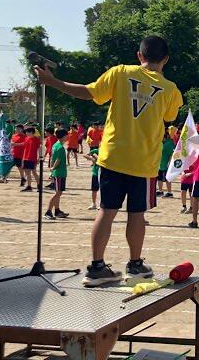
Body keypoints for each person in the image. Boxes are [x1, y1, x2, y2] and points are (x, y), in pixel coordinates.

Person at [35, 35, 183, 286]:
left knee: (106, 211)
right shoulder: (171, 89)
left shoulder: (120, 72)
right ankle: (135, 265)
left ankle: (96, 268)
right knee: (137, 213)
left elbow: (88, 92)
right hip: (143, 162)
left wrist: (53, 82)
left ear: (139, 55)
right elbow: (169, 116)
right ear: (166, 59)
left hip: (112, 157)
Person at [45, 129, 69, 220]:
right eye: (66, 135)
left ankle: (57, 211)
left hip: (58, 173)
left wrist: (52, 170)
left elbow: (52, 158)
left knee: (58, 193)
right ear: (63, 136)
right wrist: (53, 168)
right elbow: (58, 160)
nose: (67, 137)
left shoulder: (55, 145)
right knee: (58, 193)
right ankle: (48, 211)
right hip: (59, 173)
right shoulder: (60, 147)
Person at [156, 130, 175, 198]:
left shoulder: (169, 143)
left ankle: (169, 192)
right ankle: (160, 191)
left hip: (166, 165)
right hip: (160, 164)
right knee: (159, 178)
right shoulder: (162, 143)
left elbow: (172, 154)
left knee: (167, 179)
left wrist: (169, 163)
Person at [21, 127, 40, 192]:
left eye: (27, 132)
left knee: (34, 172)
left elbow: (39, 149)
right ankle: (29, 186)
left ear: (31, 132)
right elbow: (24, 146)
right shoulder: (26, 138)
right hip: (25, 158)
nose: (26, 133)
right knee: (27, 172)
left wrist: (39, 157)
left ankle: (39, 185)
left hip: (32, 158)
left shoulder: (36, 139)